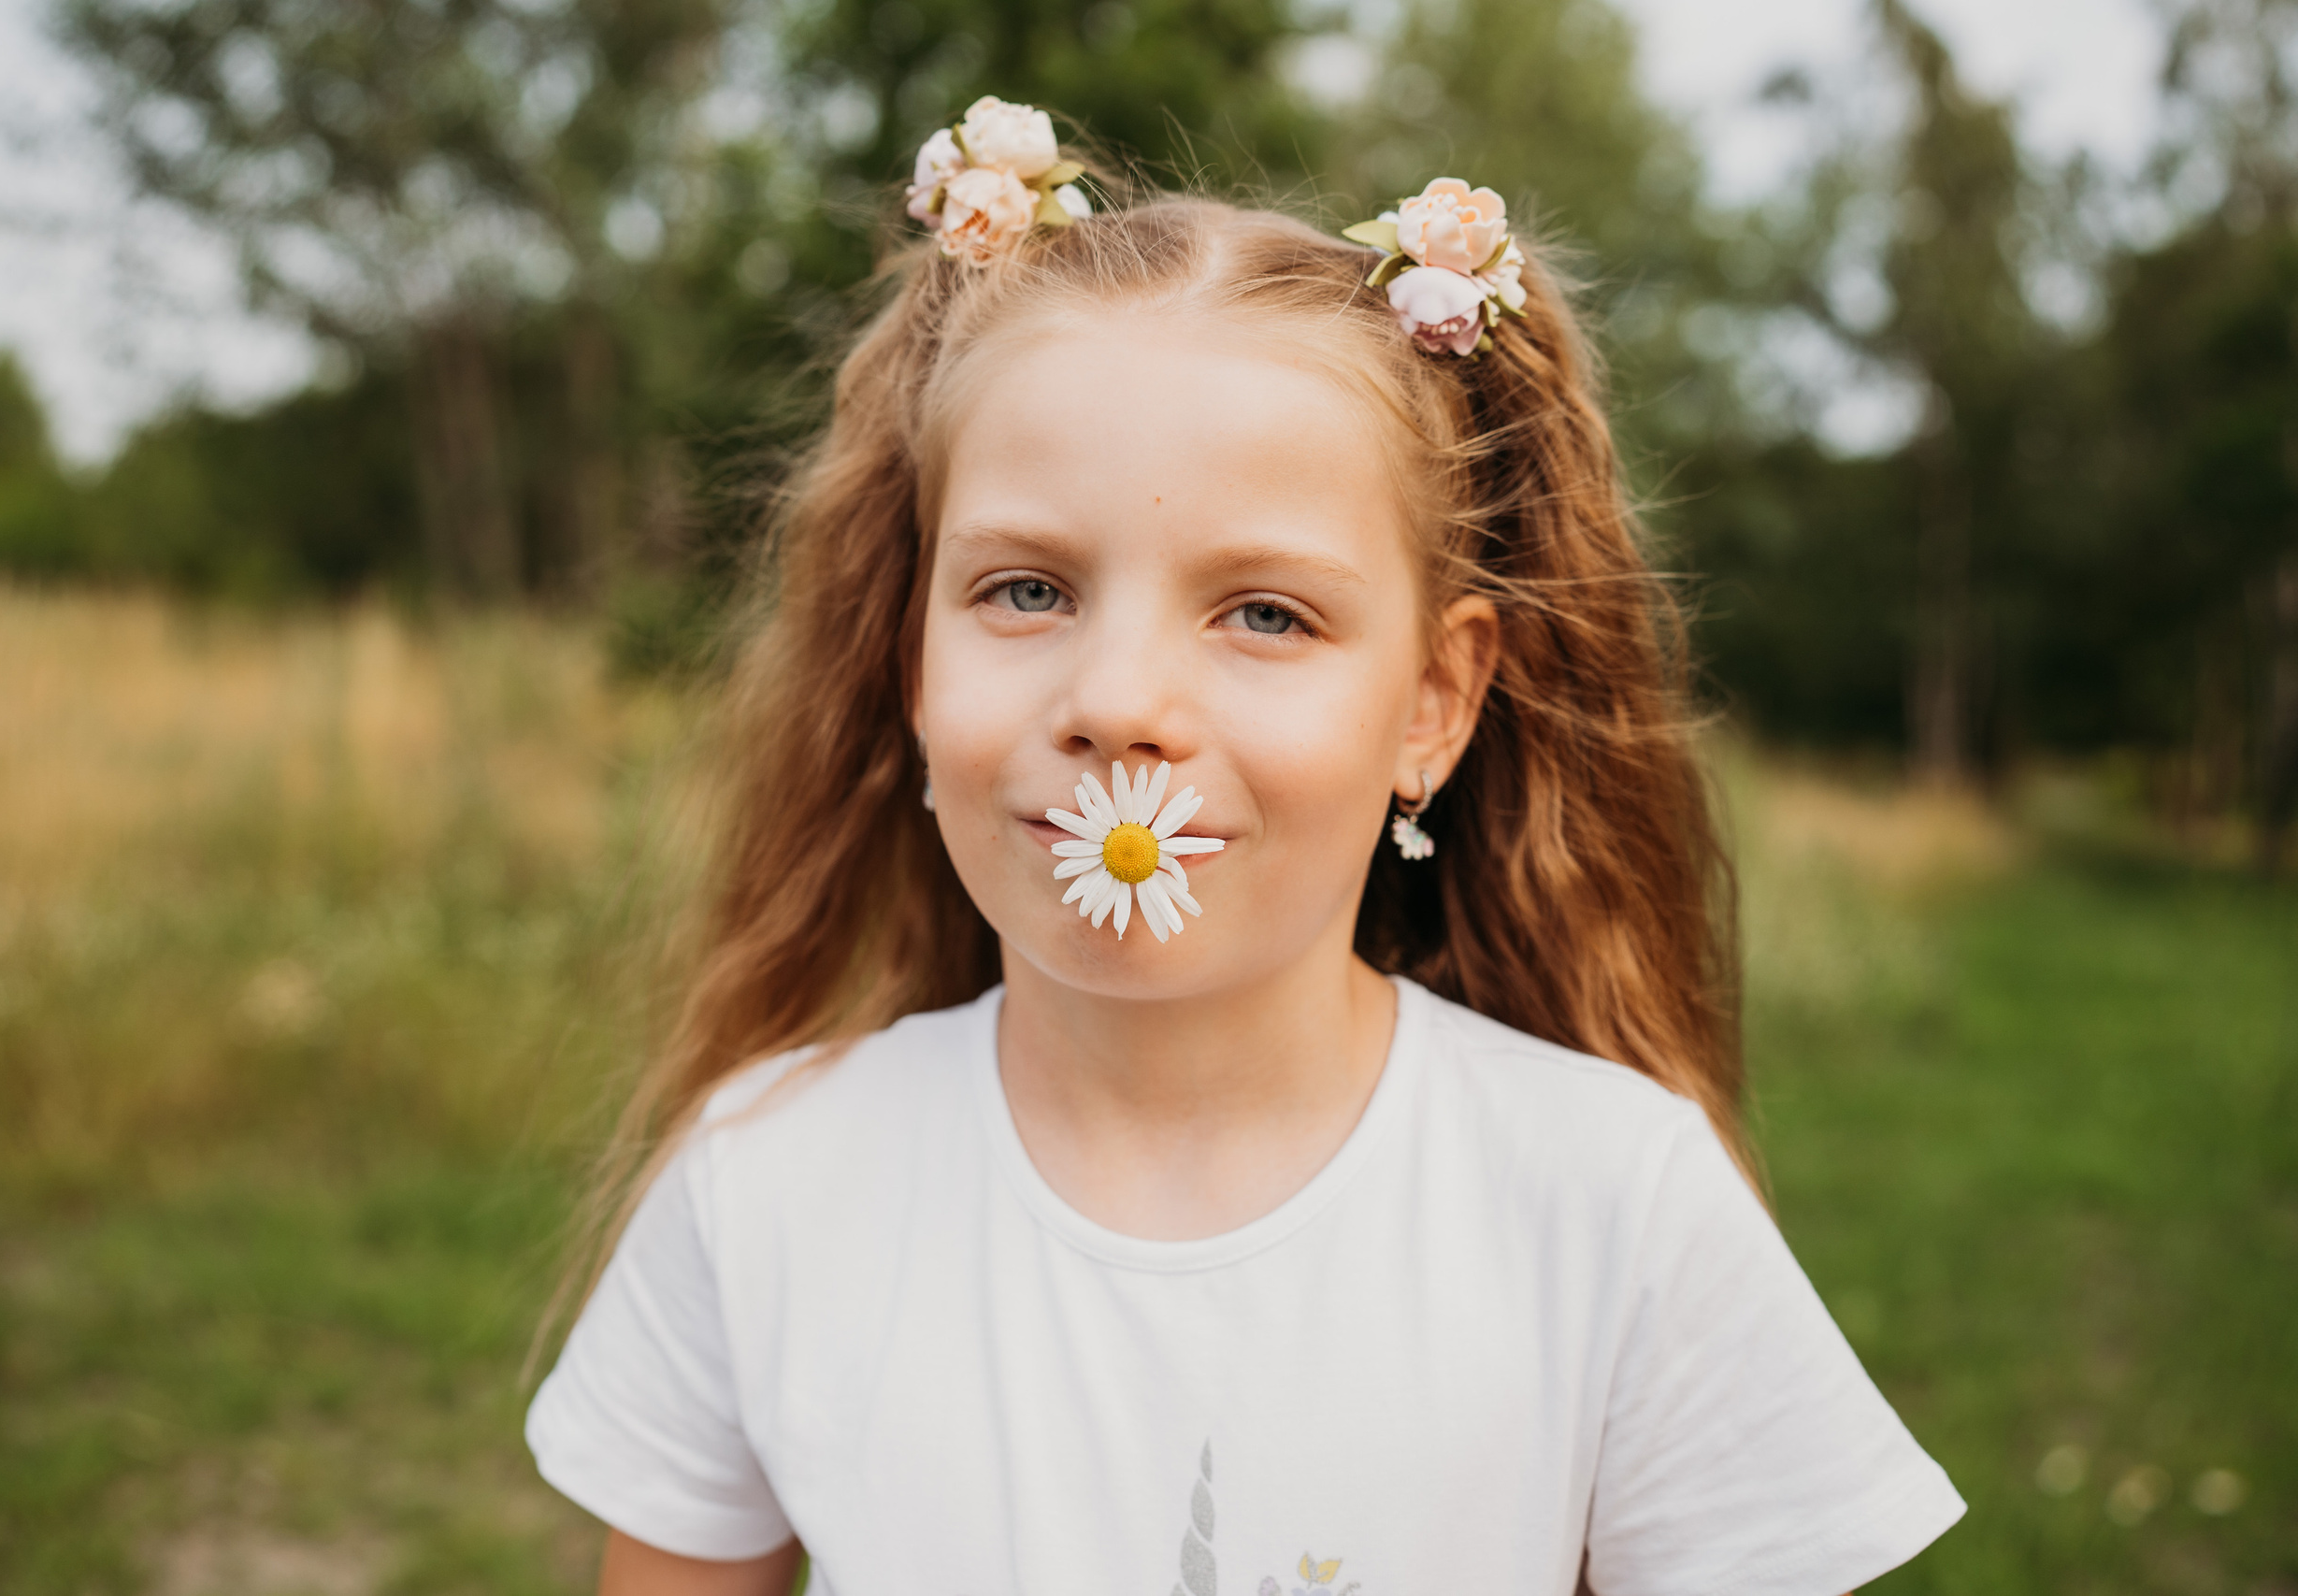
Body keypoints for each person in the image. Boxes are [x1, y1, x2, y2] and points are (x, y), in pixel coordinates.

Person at [525, 95, 1965, 1596]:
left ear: (1433, 703)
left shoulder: (1615, 1207)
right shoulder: (770, 1183)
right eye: (1025, 591)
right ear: (907, 653)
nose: (1118, 704)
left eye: (1266, 613)